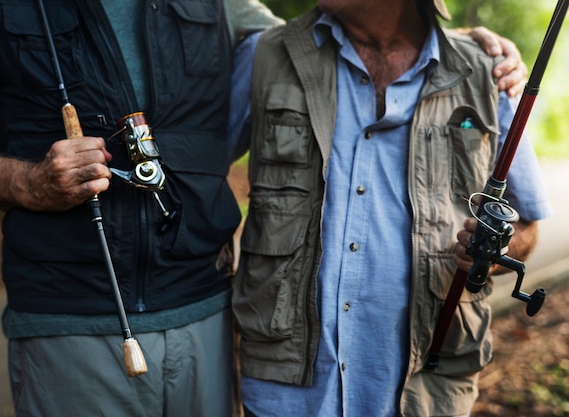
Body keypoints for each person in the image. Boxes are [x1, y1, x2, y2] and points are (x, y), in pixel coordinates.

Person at [0, 0, 528, 416]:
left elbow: (321, 46)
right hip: (69, 320)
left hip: (204, 319)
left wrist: (459, 48)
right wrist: (27, 183)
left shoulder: (239, 16)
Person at [229, 1, 552, 416]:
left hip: (426, 393)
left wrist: (486, 256)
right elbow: (192, 174)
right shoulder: (266, 55)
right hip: (286, 392)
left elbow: (526, 226)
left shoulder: (487, 72)